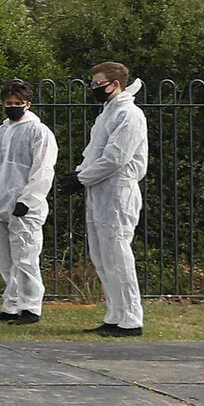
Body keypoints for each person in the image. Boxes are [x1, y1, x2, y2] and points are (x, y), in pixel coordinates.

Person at [76, 60, 149, 337]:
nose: (94, 88)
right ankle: (115, 313)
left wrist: (82, 178)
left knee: (118, 254)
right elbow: (95, 152)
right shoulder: (108, 113)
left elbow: (116, 158)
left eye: (98, 84)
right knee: (102, 255)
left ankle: (131, 318)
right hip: (100, 190)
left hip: (118, 191)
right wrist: (81, 173)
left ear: (115, 84)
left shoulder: (129, 114)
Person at [0, 79, 57, 324]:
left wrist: (29, 199)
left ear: (27, 105)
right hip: (1, 205)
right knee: (7, 260)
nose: (12, 107)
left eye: (17, 103)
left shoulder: (39, 132)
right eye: (8, 103)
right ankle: (11, 305)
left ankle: (31, 307)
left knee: (26, 257)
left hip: (24, 207)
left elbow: (43, 168)